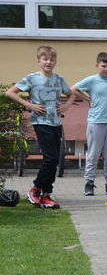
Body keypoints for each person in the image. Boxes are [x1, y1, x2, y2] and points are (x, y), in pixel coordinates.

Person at [4, 45, 76, 208]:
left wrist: (66, 106)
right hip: (40, 122)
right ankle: (36, 189)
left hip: (56, 122)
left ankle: (46, 194)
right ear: (39, 61)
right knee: (50, 157)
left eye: (52, 59)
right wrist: (29, 105)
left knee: (55, 159)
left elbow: (72, 93)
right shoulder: (31, 78)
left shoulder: (59, 79)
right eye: (45, 59)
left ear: (55, 62)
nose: (48, 62)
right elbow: (10, 93)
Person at [71, 52, 107, 196]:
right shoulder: (92, 80)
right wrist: (87, 99)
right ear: (97, 66)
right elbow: (74, 89)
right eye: (103, 66)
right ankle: (89, 182)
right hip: (96, 122)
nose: (106, 69)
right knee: (93, 154)